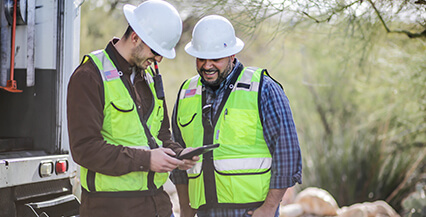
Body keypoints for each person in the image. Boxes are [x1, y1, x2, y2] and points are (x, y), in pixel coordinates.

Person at [67, 1, 198, 216]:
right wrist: (147, 160)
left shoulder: (149, 78)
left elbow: (161, 135)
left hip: (157, 204)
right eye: (155, 50)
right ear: (135, 37)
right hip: (111, 208)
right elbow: (84, 149)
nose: (158, 59)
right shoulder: (89, 76)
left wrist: (179, 154)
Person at [170, 15, 302, 217]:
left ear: (232, 55)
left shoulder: (263, 88)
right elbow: (178, 158)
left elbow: (287, 152)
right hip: (203, 212)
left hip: (252, 212)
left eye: (215, 59)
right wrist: (186, 212)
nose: (207, 66)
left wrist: (268, 209)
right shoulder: (186, 92)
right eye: (201, 58)